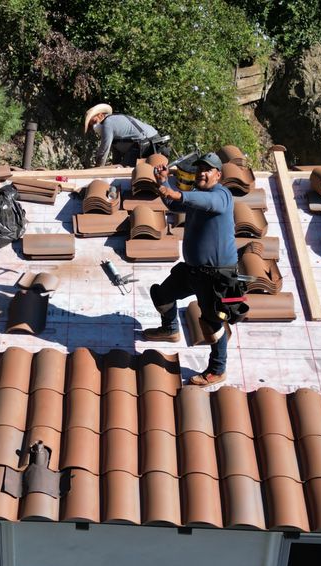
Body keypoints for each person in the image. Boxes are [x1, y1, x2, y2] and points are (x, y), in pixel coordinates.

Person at [142, 152, 245, 386]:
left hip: (216, 275)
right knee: (162, 294)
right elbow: (174, 202)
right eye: (200, 169)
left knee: (212, 323)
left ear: (218, 175)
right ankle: (170, 329)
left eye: (208, 170)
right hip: (194, 270)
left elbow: (202, 202)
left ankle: (217, 369)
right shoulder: (199, 196)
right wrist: (162, 184)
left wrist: (176, 192)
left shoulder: (222, 195)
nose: (202, 173)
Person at [83, 103, 167, 167]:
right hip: (153, 138)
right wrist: (115, 165)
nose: (94, 126)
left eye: (94, 122)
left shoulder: (108, 124)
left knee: (126, 172)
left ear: (101, 115)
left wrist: (98, 169)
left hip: (144, 144)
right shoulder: (115, 119)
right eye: (91, 125)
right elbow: (116, 152)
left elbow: (104, 150)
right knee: (121, 168)